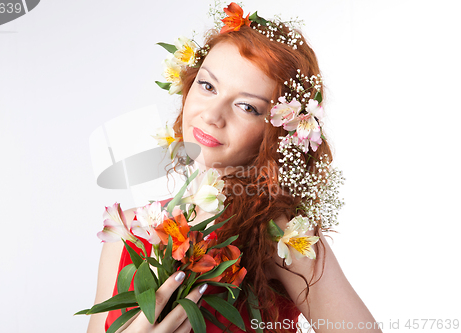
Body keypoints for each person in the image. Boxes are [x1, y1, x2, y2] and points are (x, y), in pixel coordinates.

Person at [87, 3, 383, 333]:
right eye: (208, 86)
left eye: (247, 106)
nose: (212, 114)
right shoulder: (126, 229)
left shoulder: (280, 237)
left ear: (277, 132)